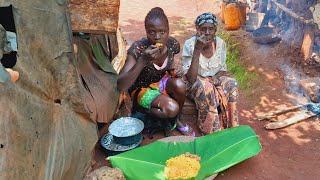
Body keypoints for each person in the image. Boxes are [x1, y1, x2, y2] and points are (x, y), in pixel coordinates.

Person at [117, 7, 195, 136]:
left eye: (162, 32)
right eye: (151, 32)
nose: (157, 37)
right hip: (142, 89)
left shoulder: (172, 45)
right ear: (146, 32)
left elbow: (169, 67)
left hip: (161, 83)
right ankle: (143, 111)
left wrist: (174, 72)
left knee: (180, 85)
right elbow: (120, 85)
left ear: (168, 31)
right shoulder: (139, 49)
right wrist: (142, 60)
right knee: (172, 108)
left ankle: (177, 120)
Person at [181, 12, 239, 135]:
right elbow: (190, 78)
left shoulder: (220, 43)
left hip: (213, 79)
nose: (207, 33)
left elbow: (223, 68)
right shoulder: (190, 45)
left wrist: (217, 78)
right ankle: (209, 130)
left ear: (215, 30)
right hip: (196, 82)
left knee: (232, 83)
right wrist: (197, 49)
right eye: (203, 29)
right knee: (206, 87)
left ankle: (232, 126)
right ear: (197, 30)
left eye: (211, 29)